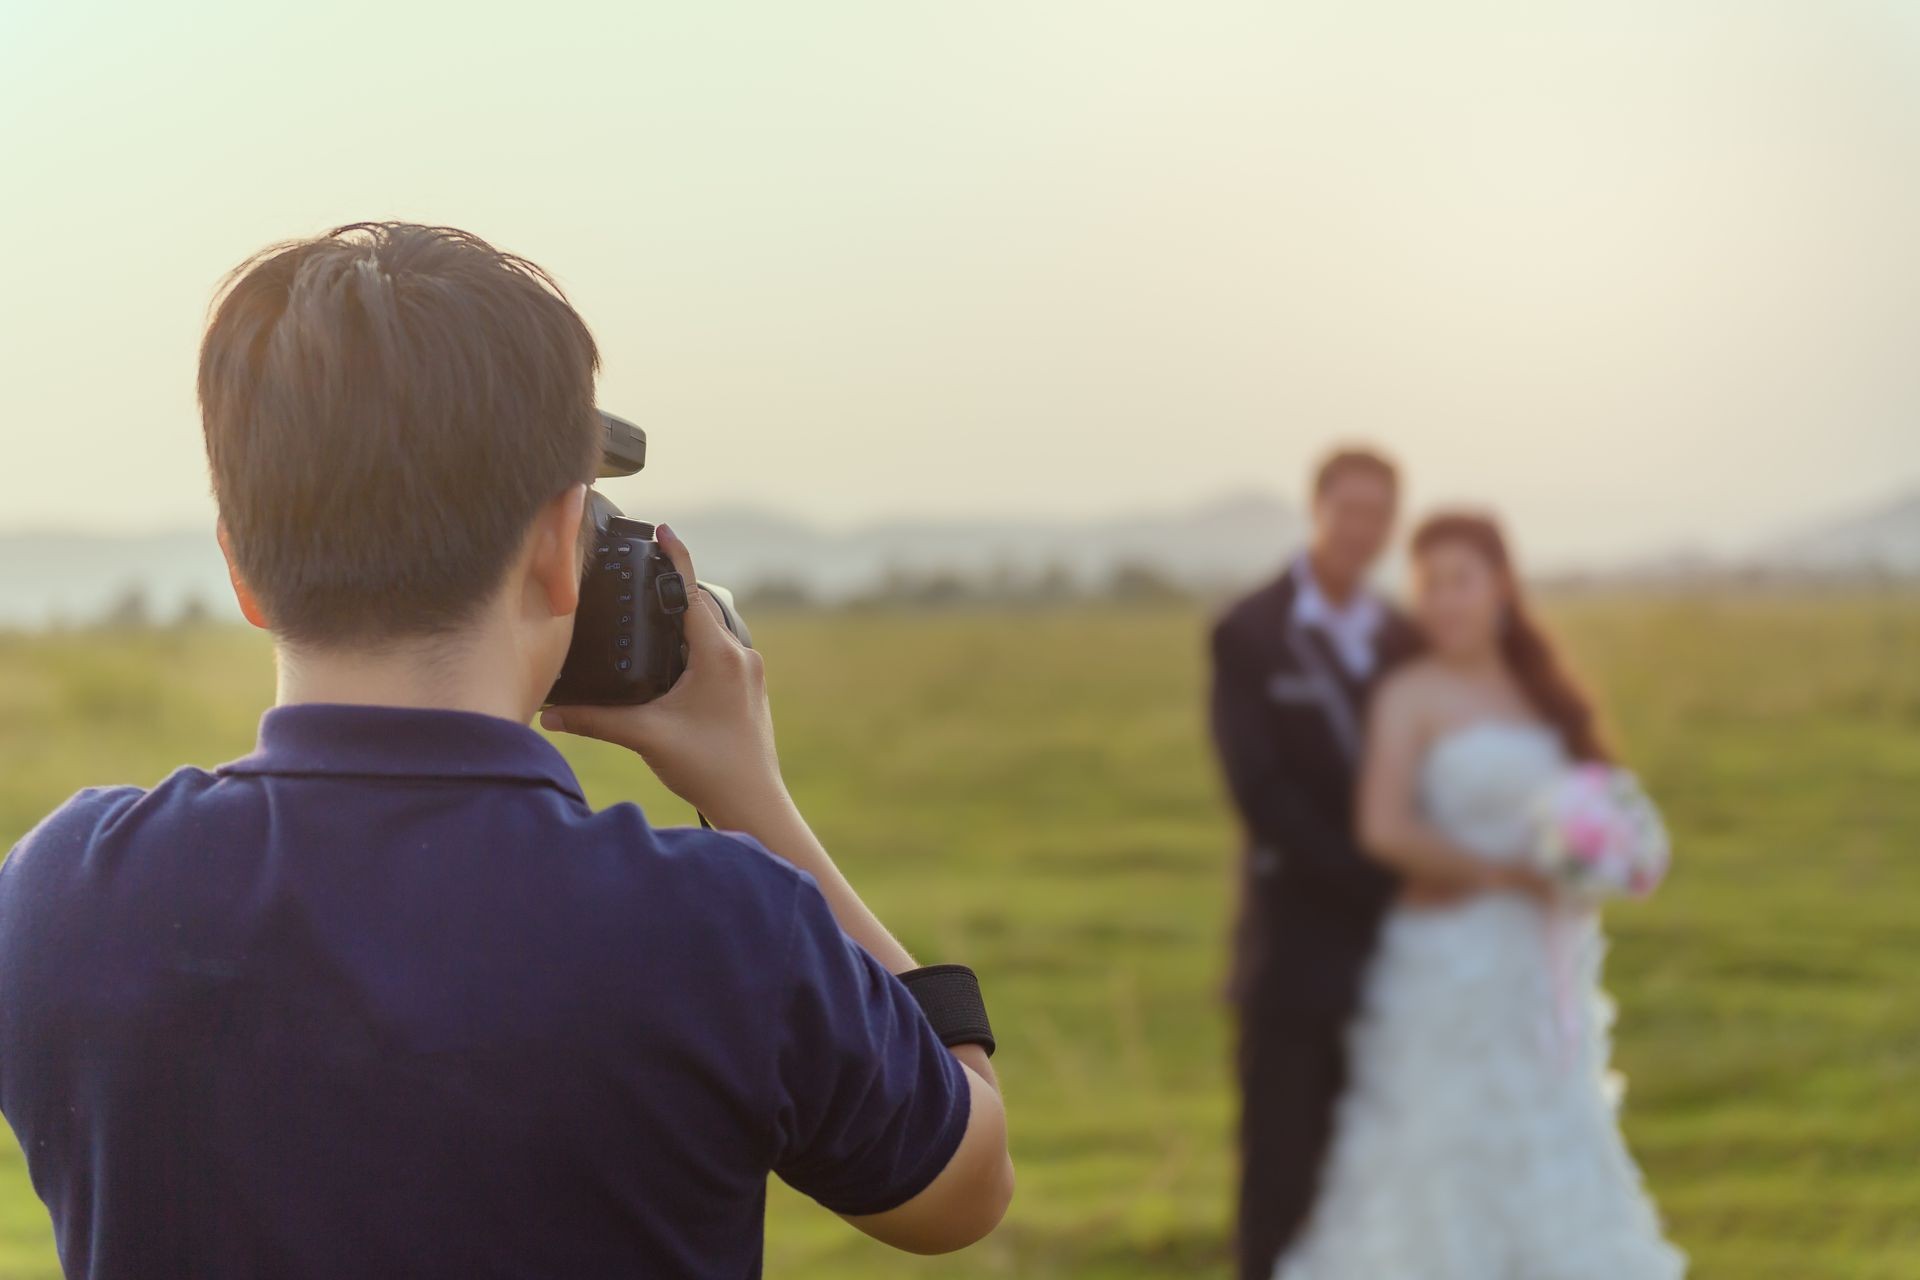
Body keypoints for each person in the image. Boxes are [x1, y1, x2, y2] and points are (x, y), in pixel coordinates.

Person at [0, 223, 1013, 1279]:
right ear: (555, 549)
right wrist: (753, 795)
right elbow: (964, 1183)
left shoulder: (65, 894)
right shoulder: (725, 925)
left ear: (241, 570)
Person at [1273, 511, 1684, 1278]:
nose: (1445, 602)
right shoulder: (1410, 694)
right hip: (1446, 959)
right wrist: (1501, 874)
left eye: (1461, 581)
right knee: (1443, 1141)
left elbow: (1588, 795)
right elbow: (1385, 826)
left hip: (1541, 961)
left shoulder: (1542, 690)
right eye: (1429, 587)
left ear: (1500, 585)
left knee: (1557, 1124)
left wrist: (1599, 861)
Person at [1207, 447, 1424, 1280]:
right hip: (1294, 956)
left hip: (1402, 960)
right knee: (1280, 1178)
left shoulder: (1405, 637)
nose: (1363, 529)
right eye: (1351, 508)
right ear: (1318, 507)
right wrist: (1389, 878)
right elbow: (1262, 795)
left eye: (1381, 514)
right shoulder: (1249, 632)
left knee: (1376, 1172)